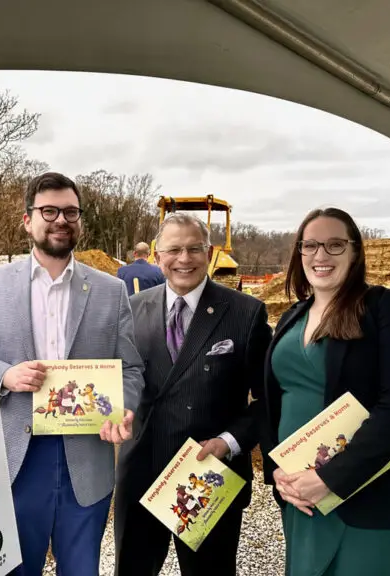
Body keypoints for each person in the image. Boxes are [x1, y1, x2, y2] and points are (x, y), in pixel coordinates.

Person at [261, 207, 390, 576]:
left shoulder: (386, 308)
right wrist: (276, 469)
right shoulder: (292, 316)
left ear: (355, 251)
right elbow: (274, 400)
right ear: (299, 252)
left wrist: (329, 479)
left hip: (370, 496)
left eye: (335, 245)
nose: (321, 255)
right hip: (302, 494)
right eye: (311, 245)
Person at [0, 171, 145, 576]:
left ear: (80, 221)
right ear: (27, 220)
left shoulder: (111, 291)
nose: (61, 220)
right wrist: (4, 375)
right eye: (49, 211)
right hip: (18, 458)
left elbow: (131, 367)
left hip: (86, 459)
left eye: (71, 212)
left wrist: (123, 407)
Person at [113, 212, 272, 576]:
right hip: (142, 471)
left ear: (209, 253)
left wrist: (229, 442)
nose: (184, 259)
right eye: (174, 250)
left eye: (194, 249)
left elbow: (267, 399)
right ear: (157, 256)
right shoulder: (131, 309)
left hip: (208, 474)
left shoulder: (245, 313)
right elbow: (119, 376)